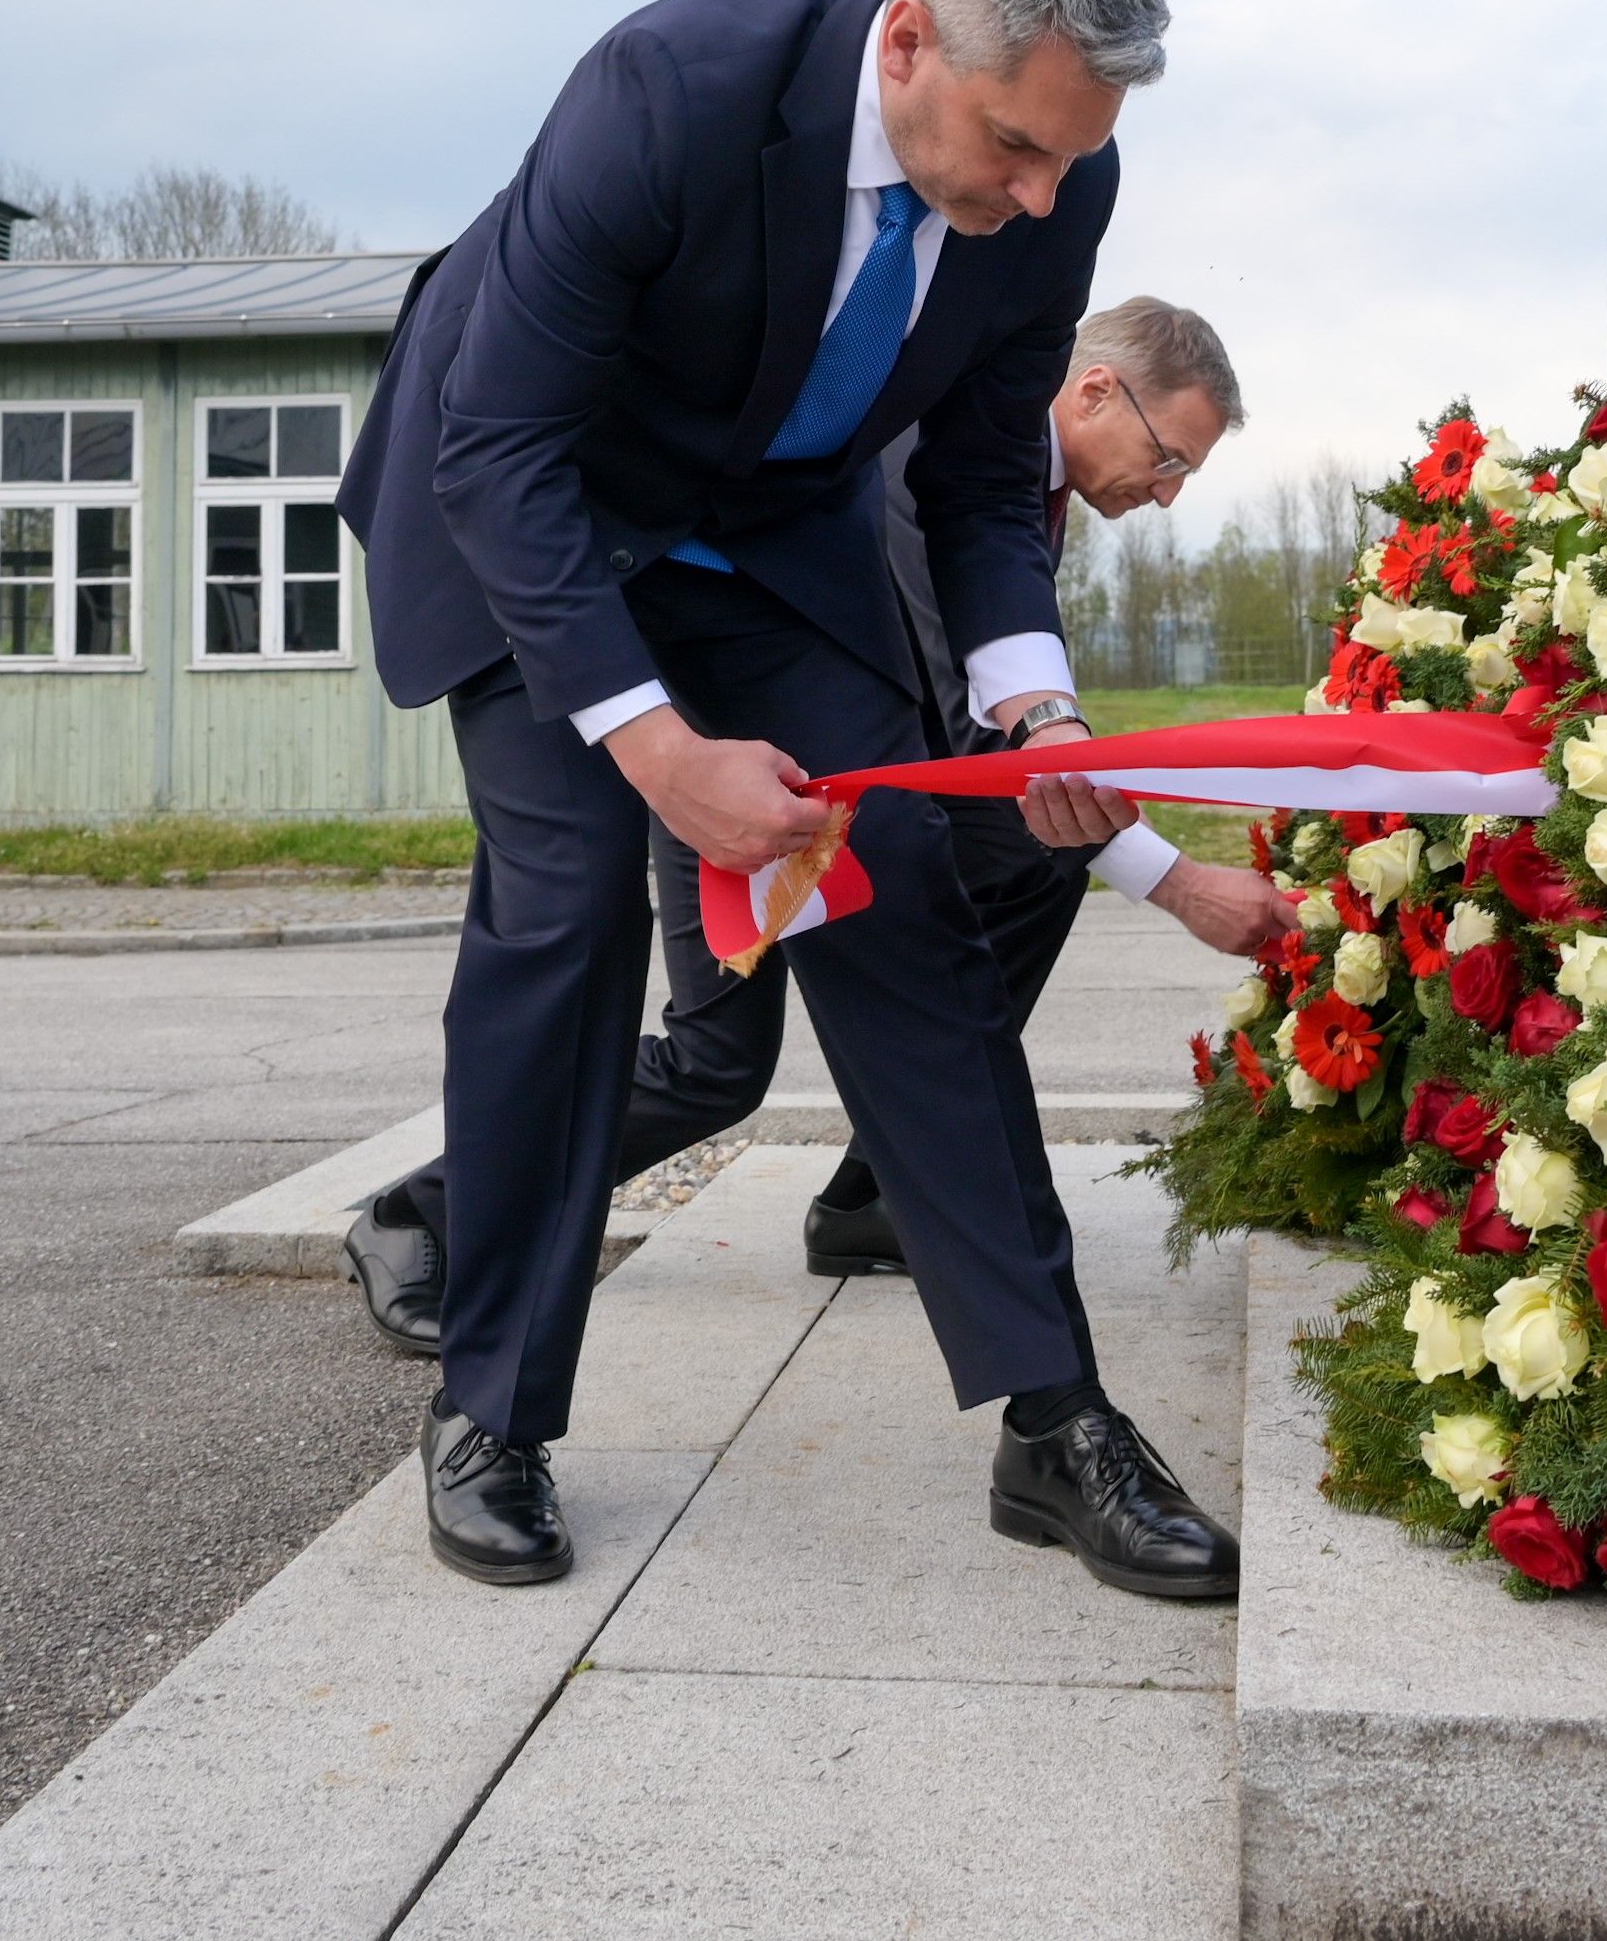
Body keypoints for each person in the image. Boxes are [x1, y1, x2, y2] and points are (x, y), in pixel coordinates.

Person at [337, 0, 1241, 1600]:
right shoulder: (668, 90)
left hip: (758, 532)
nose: (1038, 195)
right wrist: (661, 750)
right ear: (906, 42)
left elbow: (981, 478)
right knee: (566, 907)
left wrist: (1036, 706)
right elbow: (501, 446)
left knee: (898, 887)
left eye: (1068, 160)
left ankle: (1055, 1423)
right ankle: (492, 1409)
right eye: (1012, 144)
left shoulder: (1060, 172)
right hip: (525, 502)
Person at [341, 297, 1289, 1338]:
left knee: (1031, 862)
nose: (1166, 492)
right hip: (731, 766)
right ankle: (416, 1213)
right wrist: (1180, 884)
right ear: (1096, 390)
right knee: (716, 1063)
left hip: (838, 775)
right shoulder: (944, 461)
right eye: (1168, 458)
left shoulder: (1023, 486)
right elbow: (966, 724)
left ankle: (872, 1195)